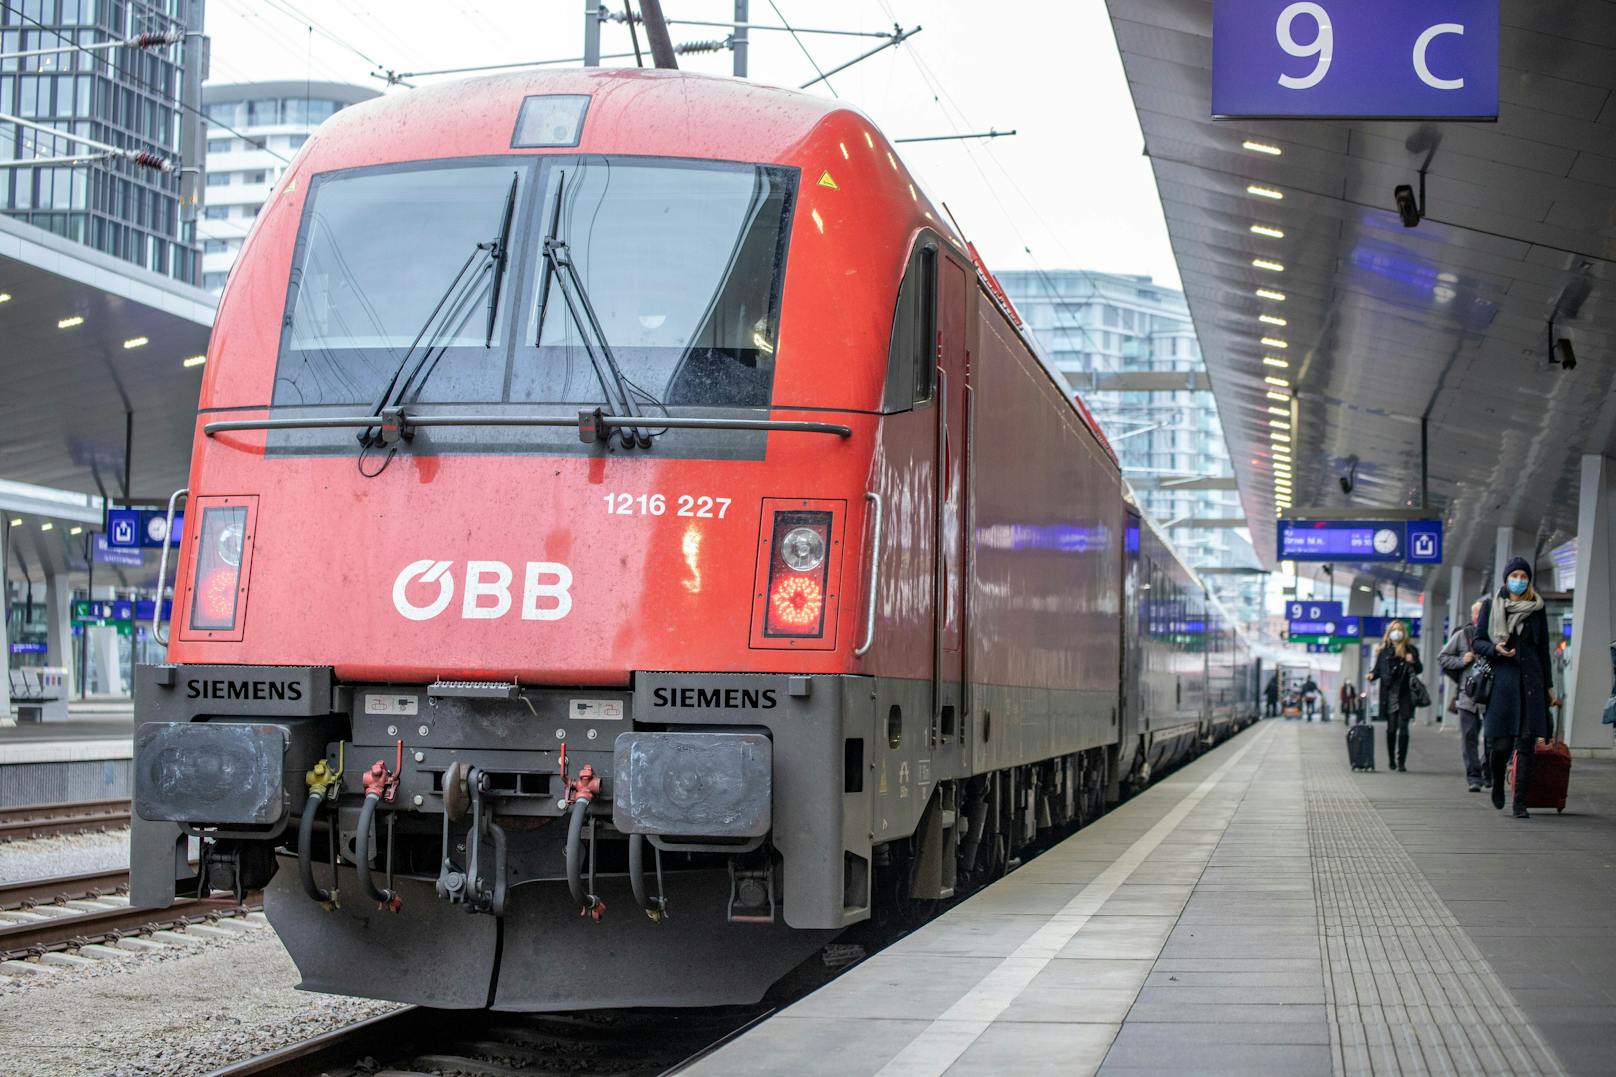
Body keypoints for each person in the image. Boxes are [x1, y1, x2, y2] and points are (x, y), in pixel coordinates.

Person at [1472, 558, 1559, 819]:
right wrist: (1495, 649)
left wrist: (1549, 687)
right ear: (1506, 578)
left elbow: (1543, 649)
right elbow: (1477, 642)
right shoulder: (1490, 606)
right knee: (1500, 746)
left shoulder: (1537, 608)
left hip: (1531, 683)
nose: (1519, 580)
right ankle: (1498, 782)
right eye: (1515, 575)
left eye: (1524, 576)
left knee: (1526, 744)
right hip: (1503, 683)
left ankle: (1520, 802)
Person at [1438, 599, 1487, 792]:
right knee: (1469, 736)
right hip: (1468, 697)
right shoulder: (1462, 635)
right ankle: (1474, 777)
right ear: (1473, 616)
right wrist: (1461, 661)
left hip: (1491, 696)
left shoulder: (1496, 636)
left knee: (1494, 738)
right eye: (1478, 613)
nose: (1481, 617)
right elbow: (1442, 657)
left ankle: (1487, 770)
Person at [1368, 618, 1423, 772]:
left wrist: (1412, 661)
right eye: (1393, 630)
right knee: (1391, 729)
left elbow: (1419, 669)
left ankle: (1401, 762)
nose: (1396, 632)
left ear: (1403, 633)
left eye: (1399, 629)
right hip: (1389, 694)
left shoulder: (1410, 650)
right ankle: (1391, 759)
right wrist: (1371, 675)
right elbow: (1377, 670)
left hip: (1405, 693)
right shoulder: (1383, 652)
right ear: (1389, 633)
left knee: (1404, 728)